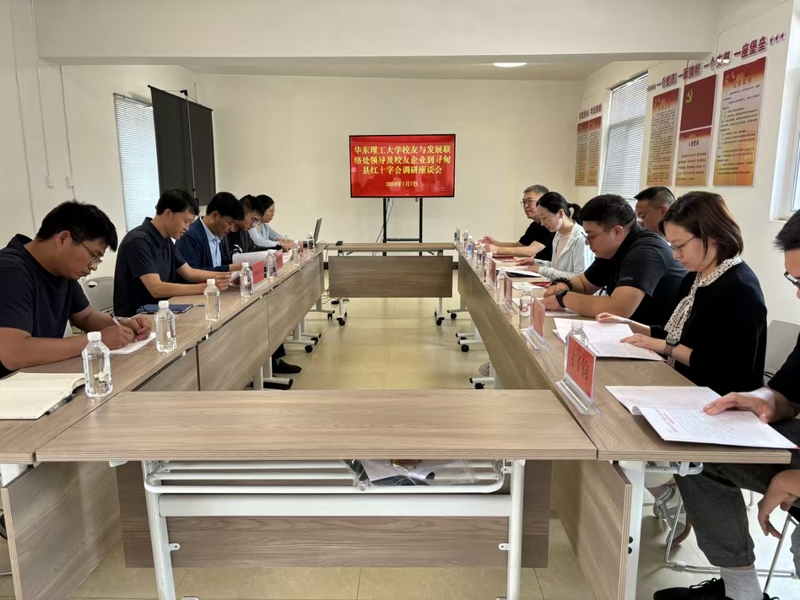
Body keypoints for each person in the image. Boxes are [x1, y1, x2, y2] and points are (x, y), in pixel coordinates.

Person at [596, 192, 768, 547]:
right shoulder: (699, 278)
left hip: (717, 401)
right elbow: (675, 333)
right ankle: (664, 490)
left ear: (712, 236)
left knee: (618, 427)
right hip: (681, 384)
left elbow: (728, 370)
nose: (675, 255)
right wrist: (633, 327)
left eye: (679, 246)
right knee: (603, 408)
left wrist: (666, 348)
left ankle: (666, 488)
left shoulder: (738, 288)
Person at [653, 210, 800, 600]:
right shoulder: (699, 279)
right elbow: (788, 392)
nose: (798, 296)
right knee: (698, 453)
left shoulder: (738, 288)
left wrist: (794, 480)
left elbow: (721, 364)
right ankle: (741, 591)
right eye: (795, 281)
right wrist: (764, 400)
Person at [0, 201, 151, 378]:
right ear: (63, 239)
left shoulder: (61, 270)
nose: (94, 267)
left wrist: (121, 325)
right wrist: (97, 340)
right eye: (94, 255)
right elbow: (14, 353)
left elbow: (85, 316)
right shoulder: (10, 270)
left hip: (41, 376)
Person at [541, 194, 687, 324]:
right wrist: (564, 285)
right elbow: (584, 284)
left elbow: (619, 308)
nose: (587, 242)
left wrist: (564, 299)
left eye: (591, 236)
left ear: (617, 232)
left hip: (658, 340)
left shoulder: (647, 251)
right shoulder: (611, 249)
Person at [113, 190, 231, 317]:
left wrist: (227, 277)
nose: (187, 228)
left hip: (164, 311)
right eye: (186, 221)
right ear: (168, 213)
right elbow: (156, 288)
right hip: (138, 318)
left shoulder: (166, 240)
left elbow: (190, 273)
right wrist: (207, 287)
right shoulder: (138, 241)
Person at [223, 194, 302, 377]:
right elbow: (226, 263)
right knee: (263, 313)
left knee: (271, 308)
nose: (253, 226)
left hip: (245, 284)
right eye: (253, 220)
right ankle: (264, 365)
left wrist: (268, 255)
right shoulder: (226, 234)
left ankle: (273, 361)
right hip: (231, 288)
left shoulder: (243, 232)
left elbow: (251, 252)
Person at [515, 192, 594, 280]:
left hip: (571, 288)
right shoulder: (558, 234)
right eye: (540, 219)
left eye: (544, 218)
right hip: (557, 285)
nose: (542, 223)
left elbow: (580, 277)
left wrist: (542, 270)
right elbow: (557, 267)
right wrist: (536, 262)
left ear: (560, 213)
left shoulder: (580, 238)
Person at [479, 185, 554, 260]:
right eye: (524, 202)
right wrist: (495, 243)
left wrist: (497, 250)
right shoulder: (534, 225)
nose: (526, 206)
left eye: (530, 201)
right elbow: (519, 245)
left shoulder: (549, 225)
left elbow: (531, 251)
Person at [175, 192, 244, 273]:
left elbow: (220, 263)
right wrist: (227, 269)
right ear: (215, 215)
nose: (231, 229)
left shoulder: (217, 233)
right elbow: (192, 273)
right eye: (230, 223)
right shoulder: (190, 236)